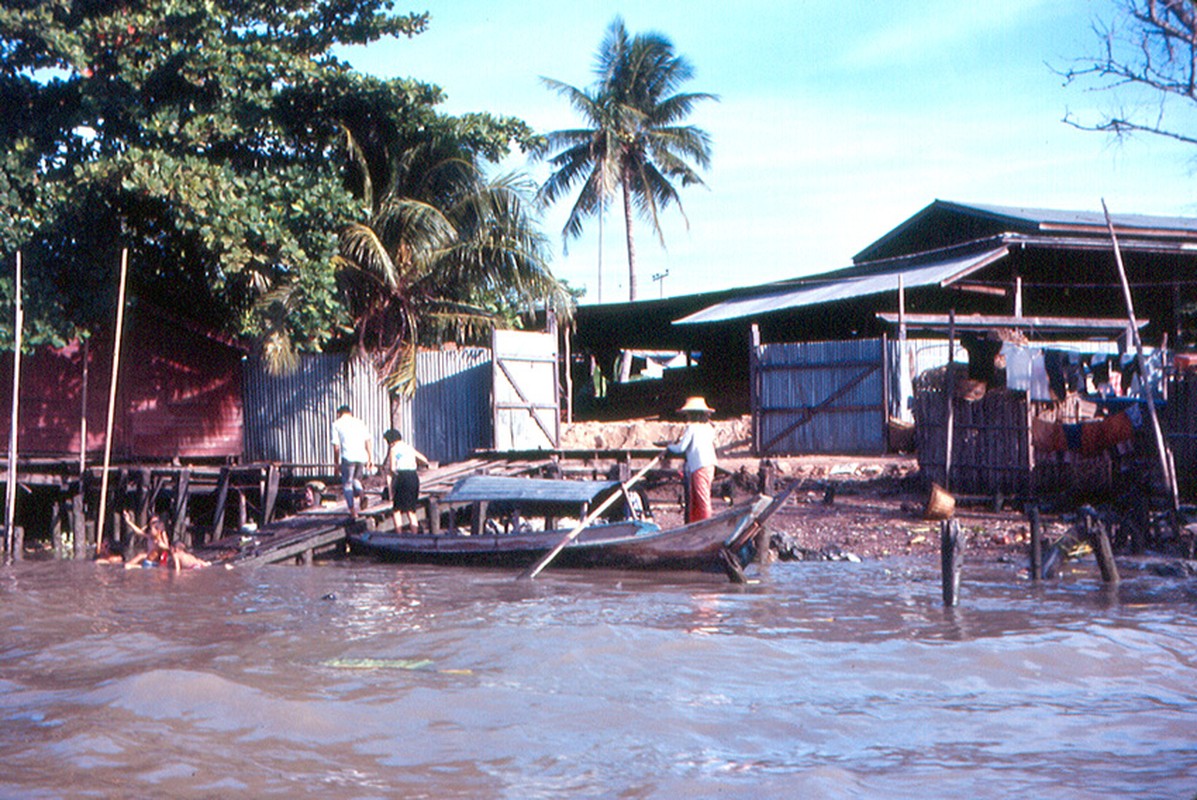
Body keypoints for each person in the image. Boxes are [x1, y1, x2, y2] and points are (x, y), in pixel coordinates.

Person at [666, 396, 718, 523]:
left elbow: (681, 448)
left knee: (701, 498)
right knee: (700, 496)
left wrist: (669, 447)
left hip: (699, 465)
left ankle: (706, 524)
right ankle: (698, 522)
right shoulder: (709, 428)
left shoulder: (692, 428)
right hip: (709, 464)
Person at [121, 510, 210, 570]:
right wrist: (128, 521)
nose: (149, 530)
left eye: (152, 529)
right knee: (141, 556)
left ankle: (130, 566)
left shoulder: (160, 542)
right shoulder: (150, 537)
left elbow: (169, 549)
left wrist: (178, 552)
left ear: (157, 530)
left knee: (141, 556)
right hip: (148, 562)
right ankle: (130, 565)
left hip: (153, 564)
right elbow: (139, 532)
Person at [382, 428, 431, 533]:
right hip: (413, 476)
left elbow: (392, 469)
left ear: (391, 441)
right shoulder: (409, 447)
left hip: (402, 477)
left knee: (397, 510)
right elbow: (424, 459)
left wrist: (391, 489)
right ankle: (415, 534)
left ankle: (399, 534)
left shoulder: (394, 449)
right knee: (411, 510)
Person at [331, 404, 374, 519]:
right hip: (361, 456)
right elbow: (368, 440)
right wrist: (370, 458)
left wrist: (336, 464)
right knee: (356, 479)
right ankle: (361, 494)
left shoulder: (336, 424)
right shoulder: (360, 422)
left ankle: (353, 511)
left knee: (347, 483)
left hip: (348, 457)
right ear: (350, 413)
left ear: (339, 414)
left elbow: (336, 446)